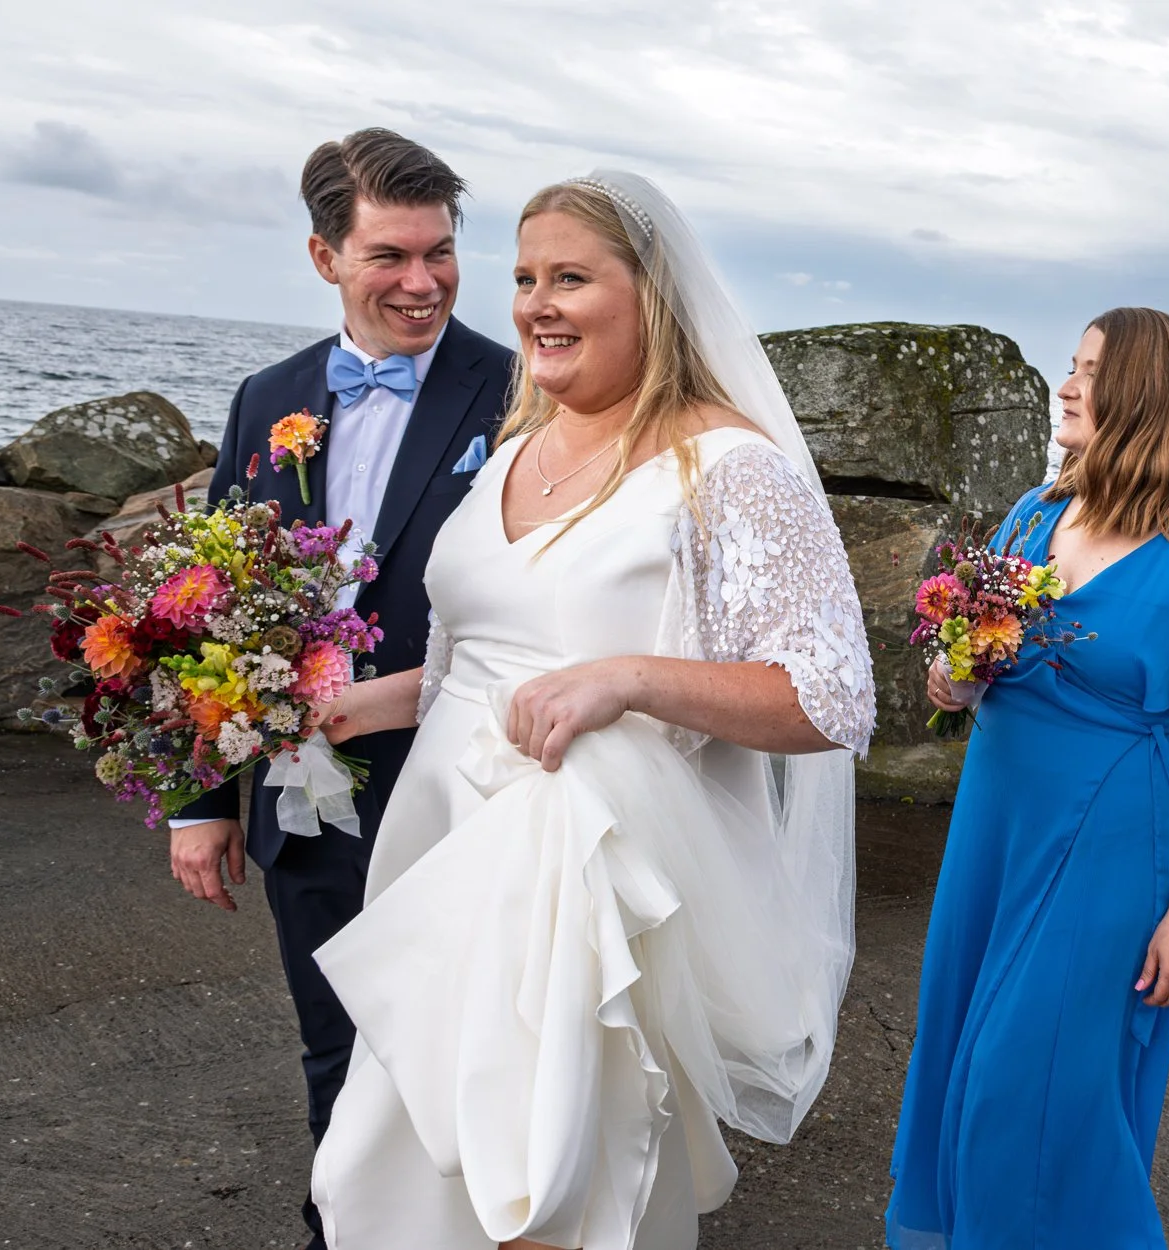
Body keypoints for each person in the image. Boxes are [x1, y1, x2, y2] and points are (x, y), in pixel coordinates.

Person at [298, 171, 873, 1250]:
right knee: (392, 1175)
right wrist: (352, 704)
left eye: (570, 277)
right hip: (443, 857)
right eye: (524, 279)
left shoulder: (729, 467)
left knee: (541, 1189)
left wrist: (631, 677)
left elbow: (830, 697)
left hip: (583, 880)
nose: (536, 305)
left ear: (653, 293)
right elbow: (476, 664)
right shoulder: (517, 448)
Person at [166, 128, 514, 1250]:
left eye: (439, 252)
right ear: (325, 258)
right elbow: (204, 612)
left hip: (466, 788)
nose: (423, 282)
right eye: (389, 257)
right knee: (334, 1044)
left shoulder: (520, 393)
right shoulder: (265, 398)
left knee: (461, 1048)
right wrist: (201, 801)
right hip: (301, 793)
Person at [888, 308, 1169, 1246]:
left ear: (1145, 395)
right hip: (997, 828)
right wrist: (952, 675)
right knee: (963, 1045)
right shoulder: (1034, 515)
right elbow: (970, 664)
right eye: (1072, 366)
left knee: (1031, 1080)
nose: (1067, 386)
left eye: (1092, 372)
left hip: (1109, 845)